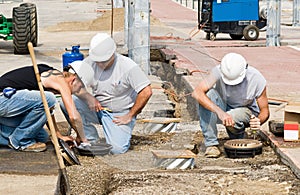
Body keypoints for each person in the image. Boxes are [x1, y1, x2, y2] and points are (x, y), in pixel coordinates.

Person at [64, 33, 152, 154]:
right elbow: (73, 86)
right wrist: (88, 97)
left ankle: (118, 132)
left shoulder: (127, 66)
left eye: (103, 61)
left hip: (118, 114)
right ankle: (89, 138)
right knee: (67, 101)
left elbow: (146, 91)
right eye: (97, 61)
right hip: (97, 108)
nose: (100, 64)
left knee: (116, 149)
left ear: (112, 54)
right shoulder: (89, 62)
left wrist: (130, 115)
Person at [192, 52, 269, 158]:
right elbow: (197, 92)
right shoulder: (218, 71)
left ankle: (238, 136)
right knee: (208, 96)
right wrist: (220, 112)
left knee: (233, 116)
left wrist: (258, 120)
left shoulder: (256, 79)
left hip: (244, 111)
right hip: (223, 107)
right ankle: (211, 144)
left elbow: (265, 111)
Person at [0, 64, 90, 152]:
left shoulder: (49, 76)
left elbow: (47, 110)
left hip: (8, 104)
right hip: (3, 98)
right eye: (80, 88)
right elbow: (73, 116)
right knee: (49, 98)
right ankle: (20, 141)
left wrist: (57, 135)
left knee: (42, 136)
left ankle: (5, 136)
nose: (77, 91)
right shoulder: (60, 80)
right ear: (74, 80)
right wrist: (82, 138)